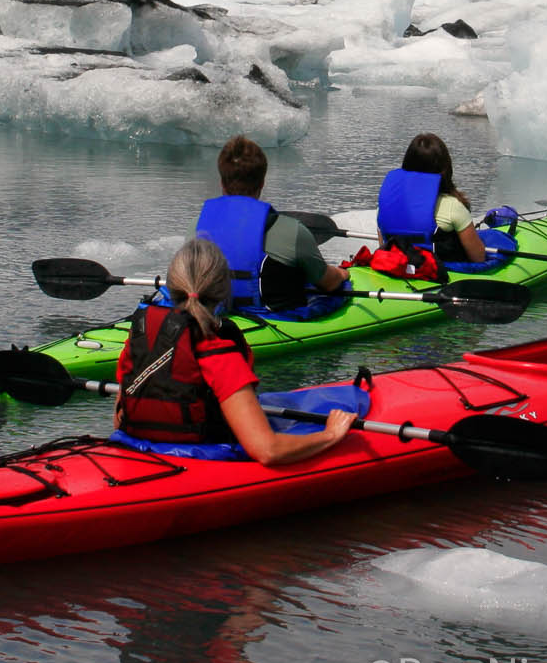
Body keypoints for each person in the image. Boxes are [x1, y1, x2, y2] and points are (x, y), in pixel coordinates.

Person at [113, 238, 356, 464]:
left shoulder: (138, 339)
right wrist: (331, 434)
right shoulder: (219, 353)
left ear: (172, 286)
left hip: (139, 453)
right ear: (222, 291)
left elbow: (119, 419)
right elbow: (268, 451)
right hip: (203, 459)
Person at [197, 135, 346, 313]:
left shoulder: (196, 227)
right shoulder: (292, 231)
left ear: (221, 182)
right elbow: (329, 284)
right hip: (273, 322)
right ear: (262, 183)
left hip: (212, 316)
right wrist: (344, 273)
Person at [378, 132, 489, 269]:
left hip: (398, 269)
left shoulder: (386, 205)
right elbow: (478, 258)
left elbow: (383, 244)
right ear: (445, 168)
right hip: (441, 275)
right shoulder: (452, 206)